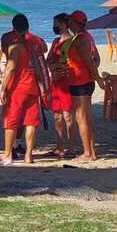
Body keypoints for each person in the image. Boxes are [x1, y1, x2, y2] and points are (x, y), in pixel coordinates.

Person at [0, 14, 41, 165]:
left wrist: (3, 89)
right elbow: (43, 49)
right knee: (31, 122)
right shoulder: (33, 43)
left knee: (11, 121)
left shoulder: (15, 46)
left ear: (13, 28)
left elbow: (10, 68)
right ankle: (29, 156)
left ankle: (7, 154)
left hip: (18, 87)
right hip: (33, 85)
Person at [67, 10, 104, 162]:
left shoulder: (79, 39)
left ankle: (88, 153)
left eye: (70, 22)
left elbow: (90, 60)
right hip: (86, 81)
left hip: (80, 82)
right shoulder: (88, 37)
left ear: (74, 23)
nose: (68, 24)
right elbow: (97, 58)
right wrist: (93, 74)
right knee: (86, 119)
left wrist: (97, 77)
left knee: (81, 118)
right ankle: (92, 152)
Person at [46, 13, 76, 158]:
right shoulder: (55, 41)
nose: (54, 26)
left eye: (56, 23)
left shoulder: (72, 41)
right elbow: (48, 59)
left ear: (64, 24)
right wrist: (54, 66)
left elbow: (72, 62)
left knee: (68, 115)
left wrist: (59, 66)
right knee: (57, 115)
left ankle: (71, 148)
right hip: (56, 82)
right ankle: (59, 146)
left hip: (66, 81)